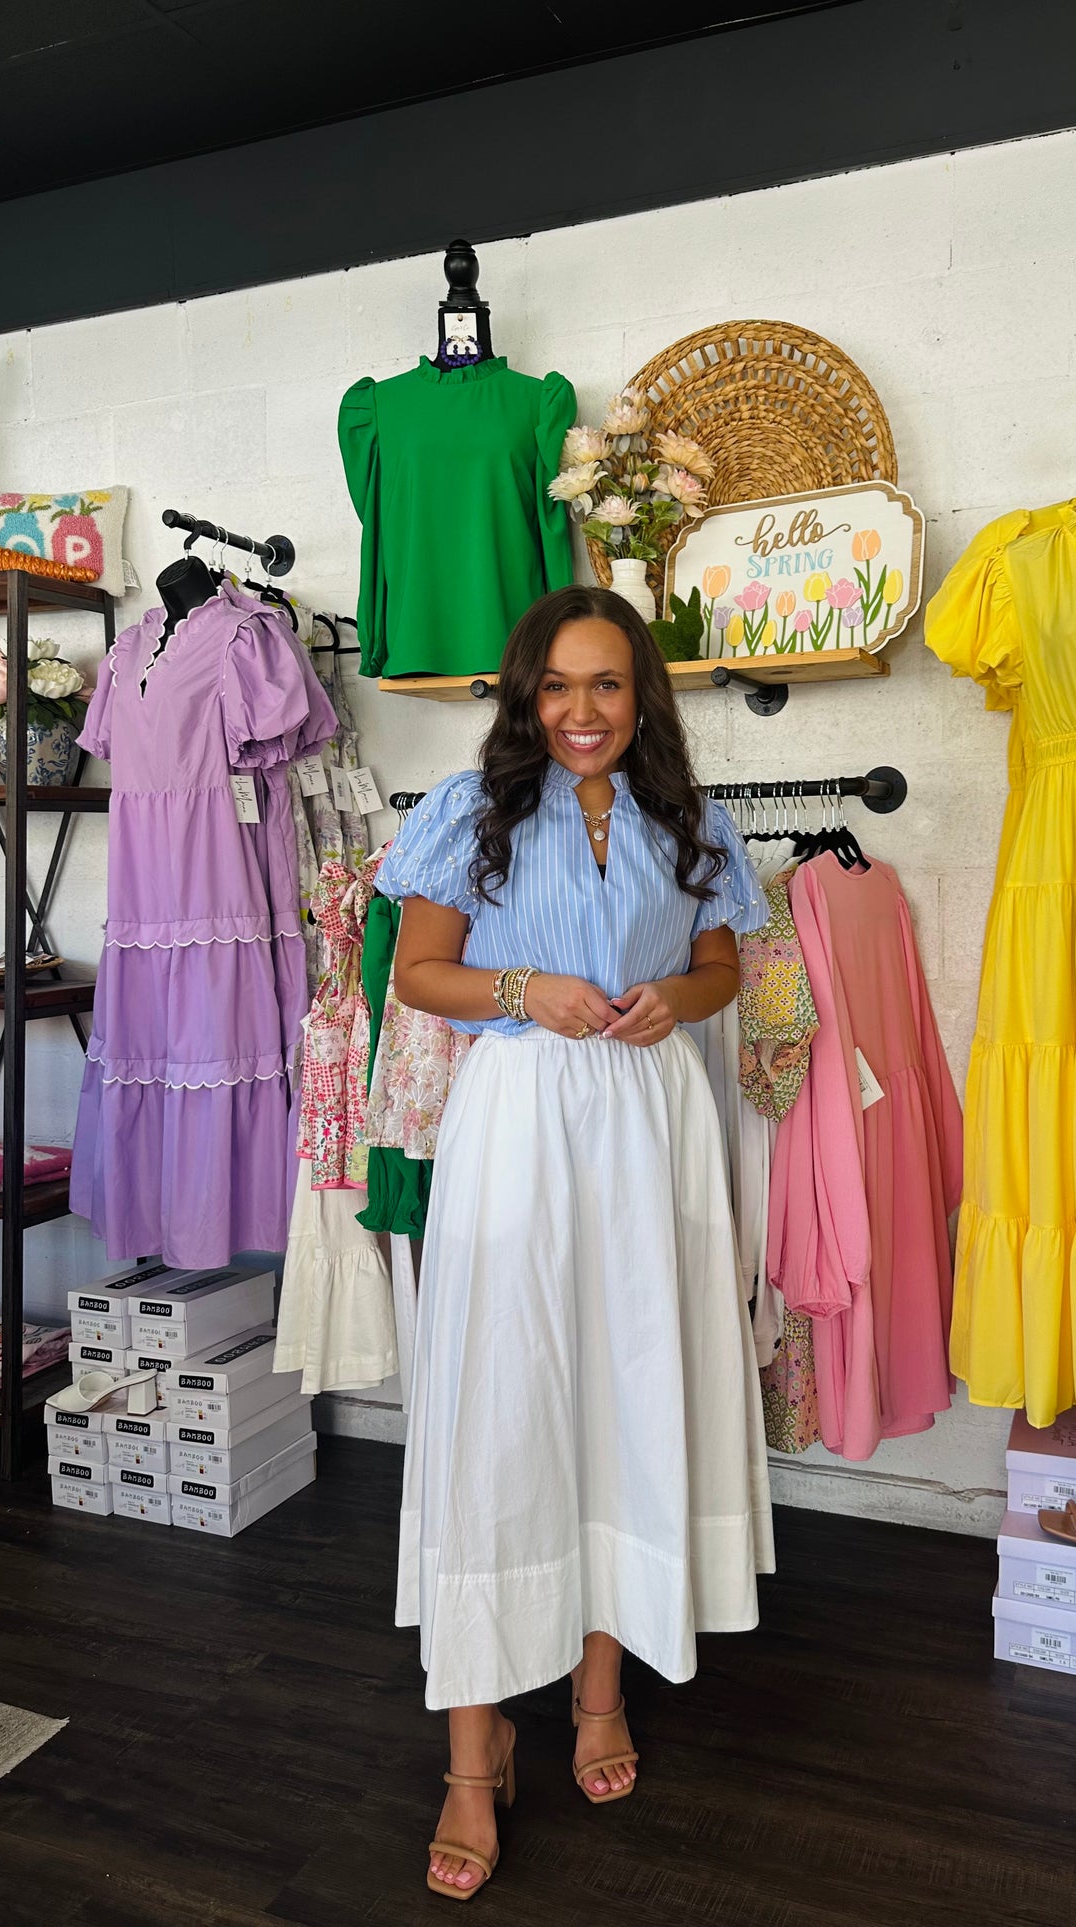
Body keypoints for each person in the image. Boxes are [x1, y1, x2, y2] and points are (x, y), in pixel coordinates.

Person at [377, 583, 776, 1901]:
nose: (581, 712)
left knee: (628, 1391)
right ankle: (472, 1758)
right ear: (523, 694)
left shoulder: (689, 820)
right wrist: (518, 989)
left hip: (654, 1127)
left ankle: (600, 1693)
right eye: (556, 686)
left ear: (640, 697)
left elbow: (723, 967)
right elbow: (417, 976)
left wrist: (680, 995)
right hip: (520, 1121)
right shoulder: (466, 812)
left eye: (606, 686)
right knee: (505, 1409)